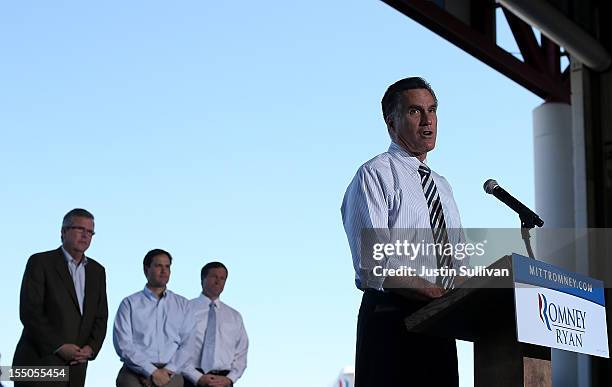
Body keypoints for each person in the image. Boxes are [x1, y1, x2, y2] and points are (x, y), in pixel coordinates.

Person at [341, 77, 467, 386]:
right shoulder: (374, 174)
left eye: (432, 110)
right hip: (392, 318)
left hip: (440, 322)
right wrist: (436, 292)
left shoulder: (442, 185)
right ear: (391, 122)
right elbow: (373, 264)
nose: (428, 121)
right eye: (415, 111)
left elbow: (458, 258)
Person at [13, 208, 108, 387]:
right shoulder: (40, 262)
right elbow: (30, 312)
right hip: (38, 361)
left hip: (76, 367)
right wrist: (59, 346)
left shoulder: (97, 271)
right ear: (63, 232)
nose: (85, 235)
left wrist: (91, 348)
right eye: (80, 229)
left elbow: (100, 316)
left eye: (90, 232)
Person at [113, 249, 189, 387]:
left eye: (167, 266)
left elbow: (189, 344)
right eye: (158, 266)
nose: (164, 271)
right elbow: (123, 345)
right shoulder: (129, 303)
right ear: (146, 269)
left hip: (171, 371)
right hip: (134, 371)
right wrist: (152, 372)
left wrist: (166, 372)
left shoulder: (183, 305)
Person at [180, 262, 248, 387]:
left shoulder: (234, 316)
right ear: (203, 279)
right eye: (214, 277)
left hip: (223, 381)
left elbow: (241, 352)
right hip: (189, 379)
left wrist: (230, 379)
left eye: (222, 278)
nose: (218, 281)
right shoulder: (184, 309)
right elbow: (175, 347)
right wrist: (197, 377)